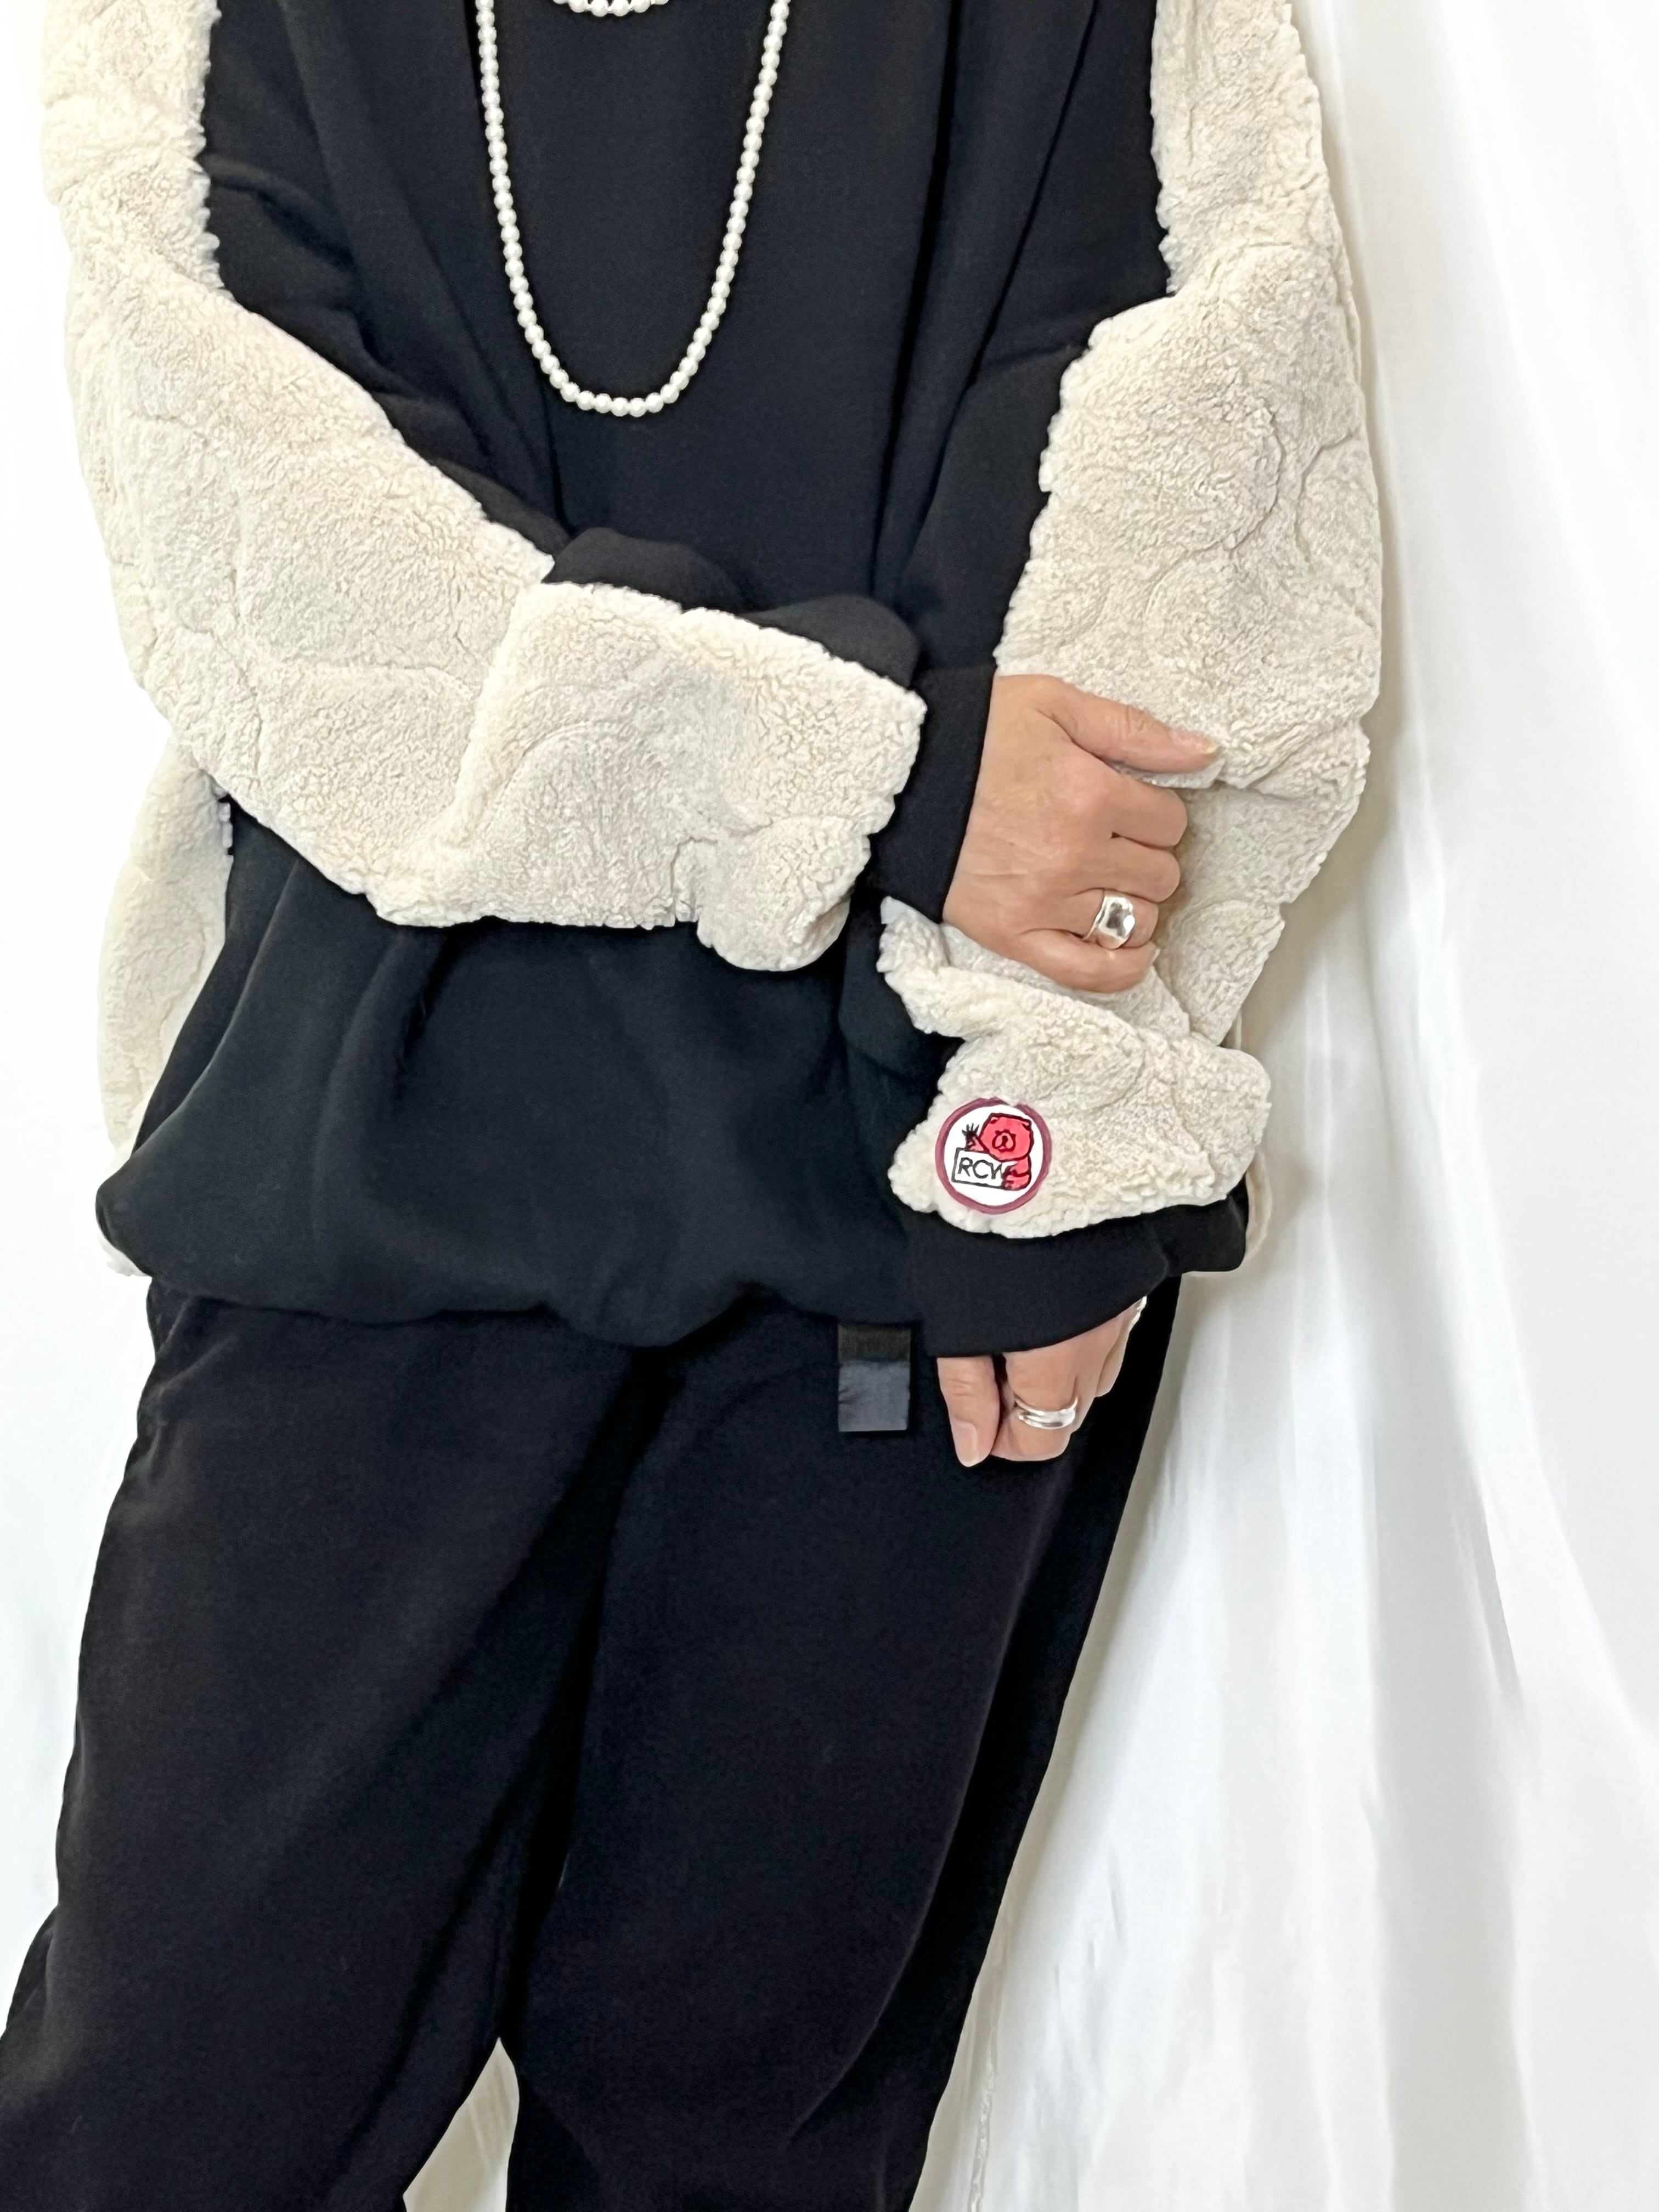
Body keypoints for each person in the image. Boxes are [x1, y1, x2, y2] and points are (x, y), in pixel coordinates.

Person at [2, 0, 1379, 2203]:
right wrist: (896, 777)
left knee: (732, 2148)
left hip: (903, 1204)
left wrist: (1053, 1148)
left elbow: (1191, 557)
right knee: (169, 2108)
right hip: (372, 1168)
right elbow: (267, 565)